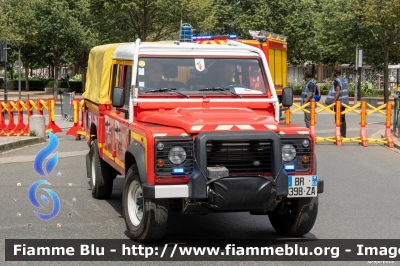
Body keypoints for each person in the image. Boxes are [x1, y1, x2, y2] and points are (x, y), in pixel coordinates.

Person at [325, 67, 349, 138]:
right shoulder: (344, 80)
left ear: (335, 72)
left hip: (338, 103)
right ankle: (343, 135)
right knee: (343, 118)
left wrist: (333, 103)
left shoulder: (337, 81)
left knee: (338, 118)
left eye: (333, 72)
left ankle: (339, 134)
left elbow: (337, 92)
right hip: (344, 102)